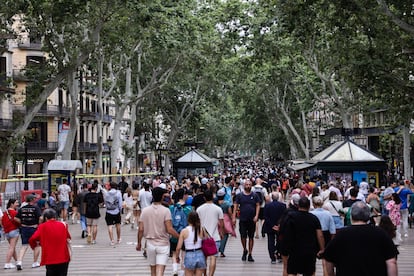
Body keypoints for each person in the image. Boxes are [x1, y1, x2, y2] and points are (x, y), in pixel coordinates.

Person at [324, 201, 398, 276]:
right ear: (368, 216)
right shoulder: (381, 233)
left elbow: (328, 258)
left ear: (351, 216)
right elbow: (391, 261)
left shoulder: (341, 234)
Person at [136, 187, 179, 276]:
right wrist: (180, 237)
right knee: (160, 269)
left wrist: (139, 243)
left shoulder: (145, 211)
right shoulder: (166, 211)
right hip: (163, 244)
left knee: (153, 268)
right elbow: (169, 229)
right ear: (162, 197)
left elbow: (140, 229)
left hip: (150, 244)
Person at [283, 196, 325, 276]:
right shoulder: (314, 218)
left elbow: (287, 234)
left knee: (292, 272)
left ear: (298, 206)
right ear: (309, 206)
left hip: (294, 250)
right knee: (309, 272)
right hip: (309, 251)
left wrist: (285, 249)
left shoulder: (291, 217)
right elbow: (320, 235)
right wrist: (322, 249)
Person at [29, 208, 71, 276]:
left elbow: (32, 239)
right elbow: (68, 237)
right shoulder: (63, 225)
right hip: (63, 256)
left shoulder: (42, 226)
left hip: (49, 257)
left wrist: (35, 246)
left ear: (45, 218)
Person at [232, 179, 260, 262]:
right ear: (244, 185)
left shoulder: (255, 195)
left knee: (251, 237)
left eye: (249, 185)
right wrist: (233, 217)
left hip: (252, 219)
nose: (248, 186)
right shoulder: (239, 195)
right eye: (246, 185)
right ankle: (244, 249)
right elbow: (235, 206)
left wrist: (256, 215)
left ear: (251, 186)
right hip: (243, 219)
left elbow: (258, 205)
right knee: (243, 236)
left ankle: (250, 254)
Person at [197, 189, 224, 276]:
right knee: (213, 258)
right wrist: (222, 233)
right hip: (215, 237)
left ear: (204, 198)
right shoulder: (218, 209)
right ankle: (211, 275)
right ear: (213, 197)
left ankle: (204, 274)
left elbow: (197, 223)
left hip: (203, 237)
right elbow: (221, 224)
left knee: (203, 258)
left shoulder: (199, 209)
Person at [14, 194, 42, 270]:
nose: (36, 199)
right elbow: (41, 218)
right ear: (32, 199)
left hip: (24, 229)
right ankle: (35, 262)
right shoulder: (36, 208)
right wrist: (38, 225)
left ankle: (19, 262)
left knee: (24, 246)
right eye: (35, 198)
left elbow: (15, 218)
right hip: (33, 228)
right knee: (37, 245)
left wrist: (22, 223)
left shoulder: (22, 208)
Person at [175, 211, 206, 276]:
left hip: (189, 254)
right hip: (200, 254)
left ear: (188, 219)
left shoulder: (184, 231)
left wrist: (177, 257)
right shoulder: (201, 229)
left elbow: (178, 247)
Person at [263, 192, 286, 264]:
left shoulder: (267, 206)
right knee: (280, 241)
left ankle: (272, 257)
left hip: (270, 227)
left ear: (272, 198)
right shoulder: (283, 206)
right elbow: (284, 216)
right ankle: (279, 255)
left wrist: (272, 225)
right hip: (280, 227)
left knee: (270, 242)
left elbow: (266, 217)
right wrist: (279, 225)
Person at [217, 188, 236, 258]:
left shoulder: (216, 203)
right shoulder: (227, 203)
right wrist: (232, 220)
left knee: (217, 234)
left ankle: (216, 248)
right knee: (225, 235)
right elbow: (230, 212)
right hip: (225, 219)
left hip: (217, 219)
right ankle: (221, 251)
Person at [103, 181, 123, 246]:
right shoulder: (118, 193)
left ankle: (112, 240)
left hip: (109, 211)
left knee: (110, 226)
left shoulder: (107, 193)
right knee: (118, 225)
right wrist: (120, 210)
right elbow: (120, 203)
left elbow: (105, 202)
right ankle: (119, 238)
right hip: (116, 211)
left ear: (110, 186)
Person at [2, 199, 20, 269]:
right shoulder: (14, 212)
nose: (17, 204)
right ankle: (7, 263)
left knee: (12, 248)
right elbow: (17, 221)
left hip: (7, 232)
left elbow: (2, 221)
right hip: (14, 231)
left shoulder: (5, 212)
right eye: (16, 203)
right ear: (12, 204)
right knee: (11, 248)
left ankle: (17, 261)